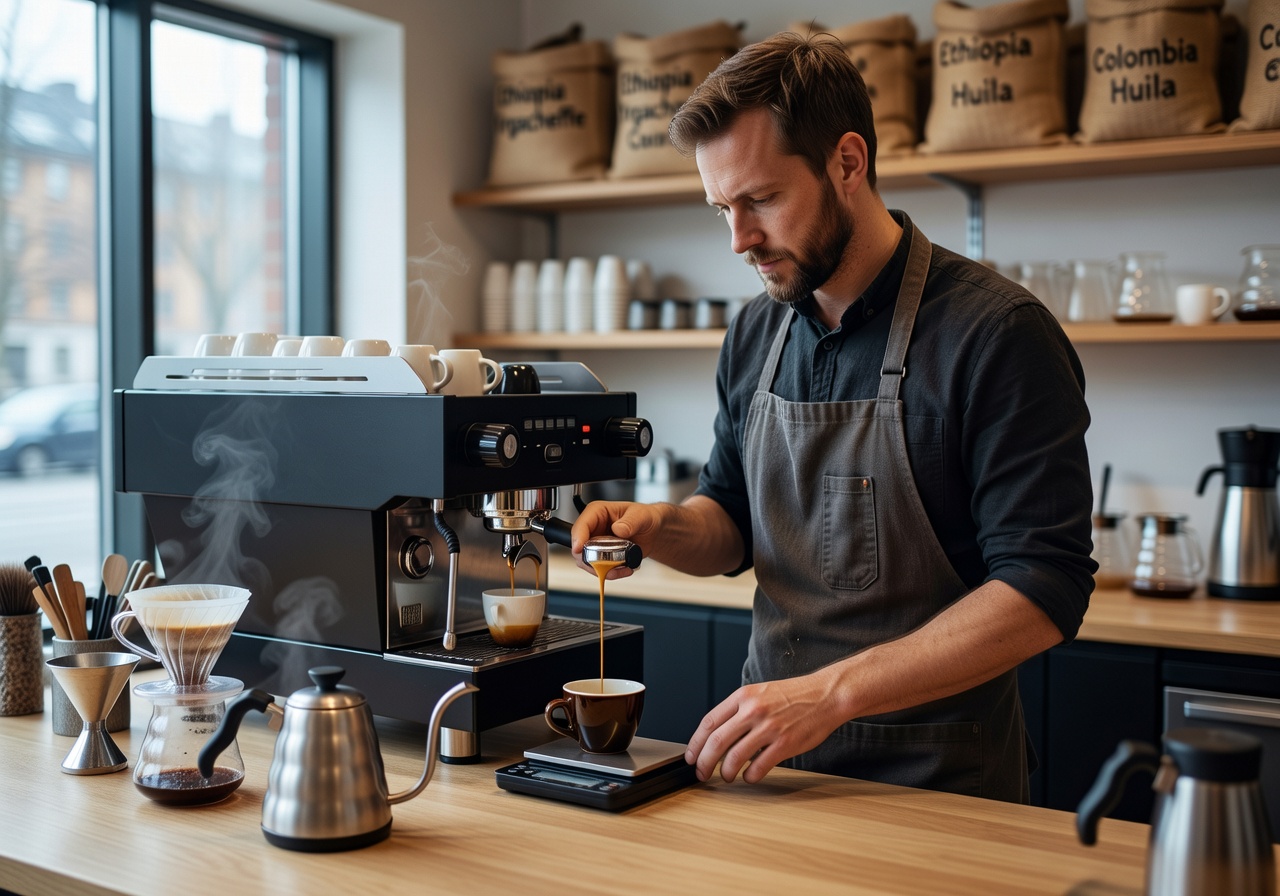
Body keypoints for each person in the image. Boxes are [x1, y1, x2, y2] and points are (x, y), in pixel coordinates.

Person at [569, 31, 1095, 804]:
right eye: (722, 207)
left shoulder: (997, 333)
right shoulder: (756, 331)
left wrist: (831, 694)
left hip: (941, 788)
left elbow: (1045, 586)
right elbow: (734, 523)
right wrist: (660, 526)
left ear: (848, 163)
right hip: (771, 772)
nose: (740, 239)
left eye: (762, 199)